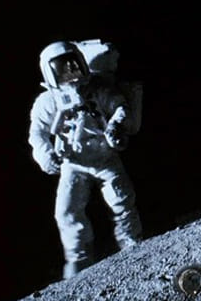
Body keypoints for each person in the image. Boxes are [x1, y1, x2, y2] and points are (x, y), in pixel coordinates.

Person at [28, 40, 142, 279]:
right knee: (67, 211)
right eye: (63, 69)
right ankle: (78, 260)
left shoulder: (98, 89)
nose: (71, 72)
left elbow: (119, 106)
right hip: (74, 163)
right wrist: (45, 155)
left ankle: (132, 244)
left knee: (121, 201)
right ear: (49, 73)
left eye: (74, 65)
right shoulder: (47, 103)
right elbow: (37, 134)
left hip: (104, 157)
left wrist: (115, 124)